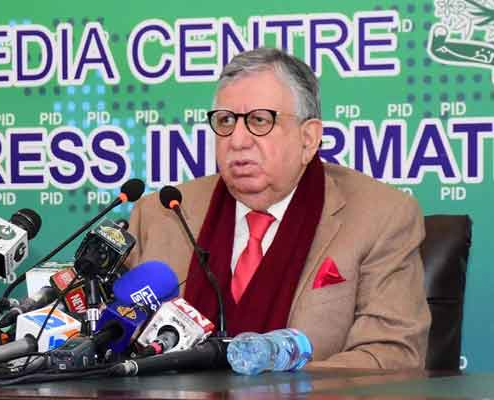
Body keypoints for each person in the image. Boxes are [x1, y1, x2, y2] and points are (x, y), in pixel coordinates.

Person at [126, 47, 431, 369]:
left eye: (259, 120)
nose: (238, 139)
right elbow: (107, 340)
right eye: (226, 121)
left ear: (309, 138)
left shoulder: (380, 217)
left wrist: (268, 387)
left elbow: (392, 358)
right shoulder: (162, 214)